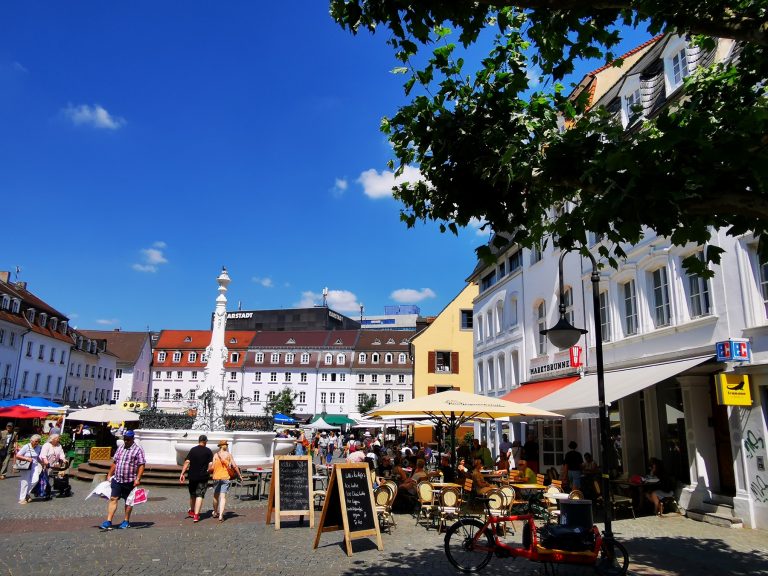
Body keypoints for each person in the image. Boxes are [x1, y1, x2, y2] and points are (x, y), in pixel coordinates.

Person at [101, 430, 145, 530]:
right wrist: (109, 474)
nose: (126, 441)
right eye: (125, 439)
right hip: (117, 478)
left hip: (129, 480)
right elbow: (115, 462)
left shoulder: (138, 450)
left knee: (128, 502)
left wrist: (138, 478)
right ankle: (108, 521)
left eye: (128, 439)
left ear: (133, 439)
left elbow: (141, 465)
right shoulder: (121, 447)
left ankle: (126, 520)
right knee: (113, 498)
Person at [179, 434, 213, 523]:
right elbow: (210, 466)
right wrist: (209, 471)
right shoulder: (208, 451)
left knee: (192, 494)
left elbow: (187, 462)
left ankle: (192, 511)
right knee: (200, 495)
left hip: (192, 476)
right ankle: (196, 515)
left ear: (199, 441)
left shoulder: (193, 450)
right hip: (203, 476)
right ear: (205, 441)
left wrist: (182, 473)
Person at [210, 440, 241, 522]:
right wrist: (239, 475)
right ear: (223, 446)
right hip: (225, 477)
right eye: (226, 445)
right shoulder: (228, 455)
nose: (227, 446)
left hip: (216, 477)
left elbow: (212, 467)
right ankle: (220, 515)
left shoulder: (215, 455)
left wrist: (208, 470)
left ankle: (215, 512)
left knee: (215, 496)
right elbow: (234, 466)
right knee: (223, 497)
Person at [16, 434, 43, 504]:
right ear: (31, 440)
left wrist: (42, 463)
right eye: (36, 441)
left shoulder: (38, 447)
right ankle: (22, 498)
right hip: (26, 465)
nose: (37, 443)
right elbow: (18, 455)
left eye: (38, 441)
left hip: (35, 465)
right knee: (25, 481)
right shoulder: (26, 446)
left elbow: (37, 457)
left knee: (35, 480)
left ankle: (26, 494)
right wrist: (26, 458)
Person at [40, 433, 67, 499]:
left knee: (59, 477)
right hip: (46, 464)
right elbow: (43, 455)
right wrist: (46, 461)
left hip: (55, 464)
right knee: (46, 478)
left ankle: (60, 489)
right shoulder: (46, 445)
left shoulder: (59, 445)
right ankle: (44, 492)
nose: (58, 439)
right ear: (52, 439)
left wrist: (64, 459)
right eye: (57, 438)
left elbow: (61, 453)